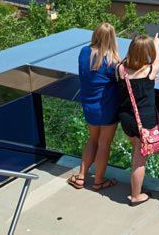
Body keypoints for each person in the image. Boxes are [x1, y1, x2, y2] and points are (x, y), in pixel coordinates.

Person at [67, 23, 121, 191]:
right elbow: (122, 77)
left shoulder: (84, 52)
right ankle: (98, 181)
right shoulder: (112, 60)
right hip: (107, 107)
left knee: (92, 139)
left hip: (89, 105)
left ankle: (81, 177)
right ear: (112, 38)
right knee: (104, 144)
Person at [117, 33, 159, 206]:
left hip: (126, 118)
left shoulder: (120, 69)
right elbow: (156, 60)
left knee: (136, 150)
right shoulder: (150, 71)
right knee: (139, 160)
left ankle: (138, 186)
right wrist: (156, 43)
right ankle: (136, 195)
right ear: (147, 52)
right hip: (145, 121)